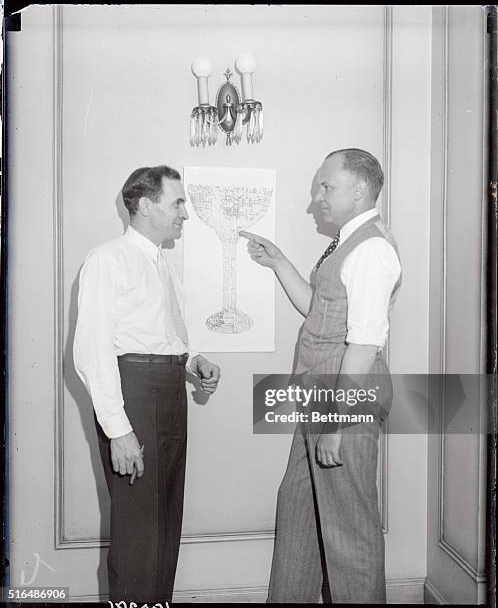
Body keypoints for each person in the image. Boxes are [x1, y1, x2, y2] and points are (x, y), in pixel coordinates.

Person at [240, 148, 401, 603]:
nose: (317, 197)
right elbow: (320, 310)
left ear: (360, 189)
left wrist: (336, 422)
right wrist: (280, 264)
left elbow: (365, 344)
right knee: (298, 509)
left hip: (341, 403)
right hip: (318, 394)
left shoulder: (371, 249)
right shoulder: (350, 241)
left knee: (349, 530)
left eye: (327, 186)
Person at [73, 165, 221, 603]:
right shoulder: (107, 259)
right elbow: (93, 351)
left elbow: (161, 332)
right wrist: (119, 430)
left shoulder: (163, 262)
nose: (185, 214)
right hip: (132, 392)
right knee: (138, 528)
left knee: (165, 519)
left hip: (171, 390)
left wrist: (193, 360)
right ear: (144, 205)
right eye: (177, 202)